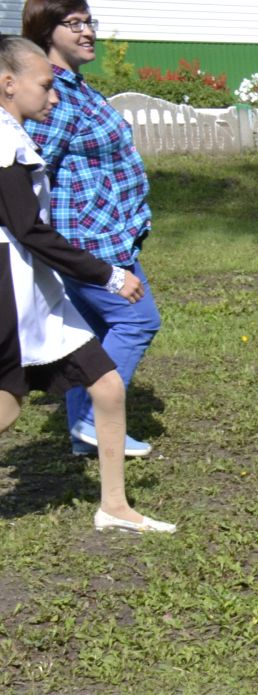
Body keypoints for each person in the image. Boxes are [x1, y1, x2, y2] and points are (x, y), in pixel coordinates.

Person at [0, 37, 165, 534]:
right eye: (46, 87)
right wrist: (109, 274)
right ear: (8, 84)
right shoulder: (5, 145)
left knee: (108, 384)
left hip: (38, 292)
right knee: (7, 405)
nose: (54, 98)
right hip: (13, 294)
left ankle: (113, 506)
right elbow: (30, 231)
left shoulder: (15, 135)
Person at [23, 0, 159, 460]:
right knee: (137, 320)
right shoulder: (54, 94)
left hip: (109, 231)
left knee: (93, 336)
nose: (87, 32)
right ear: (47, 31)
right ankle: (93, 421)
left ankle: (84, 434)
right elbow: (30, 167)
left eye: (88, 22)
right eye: (73, 23)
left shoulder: (77, 89)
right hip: (87, 240)